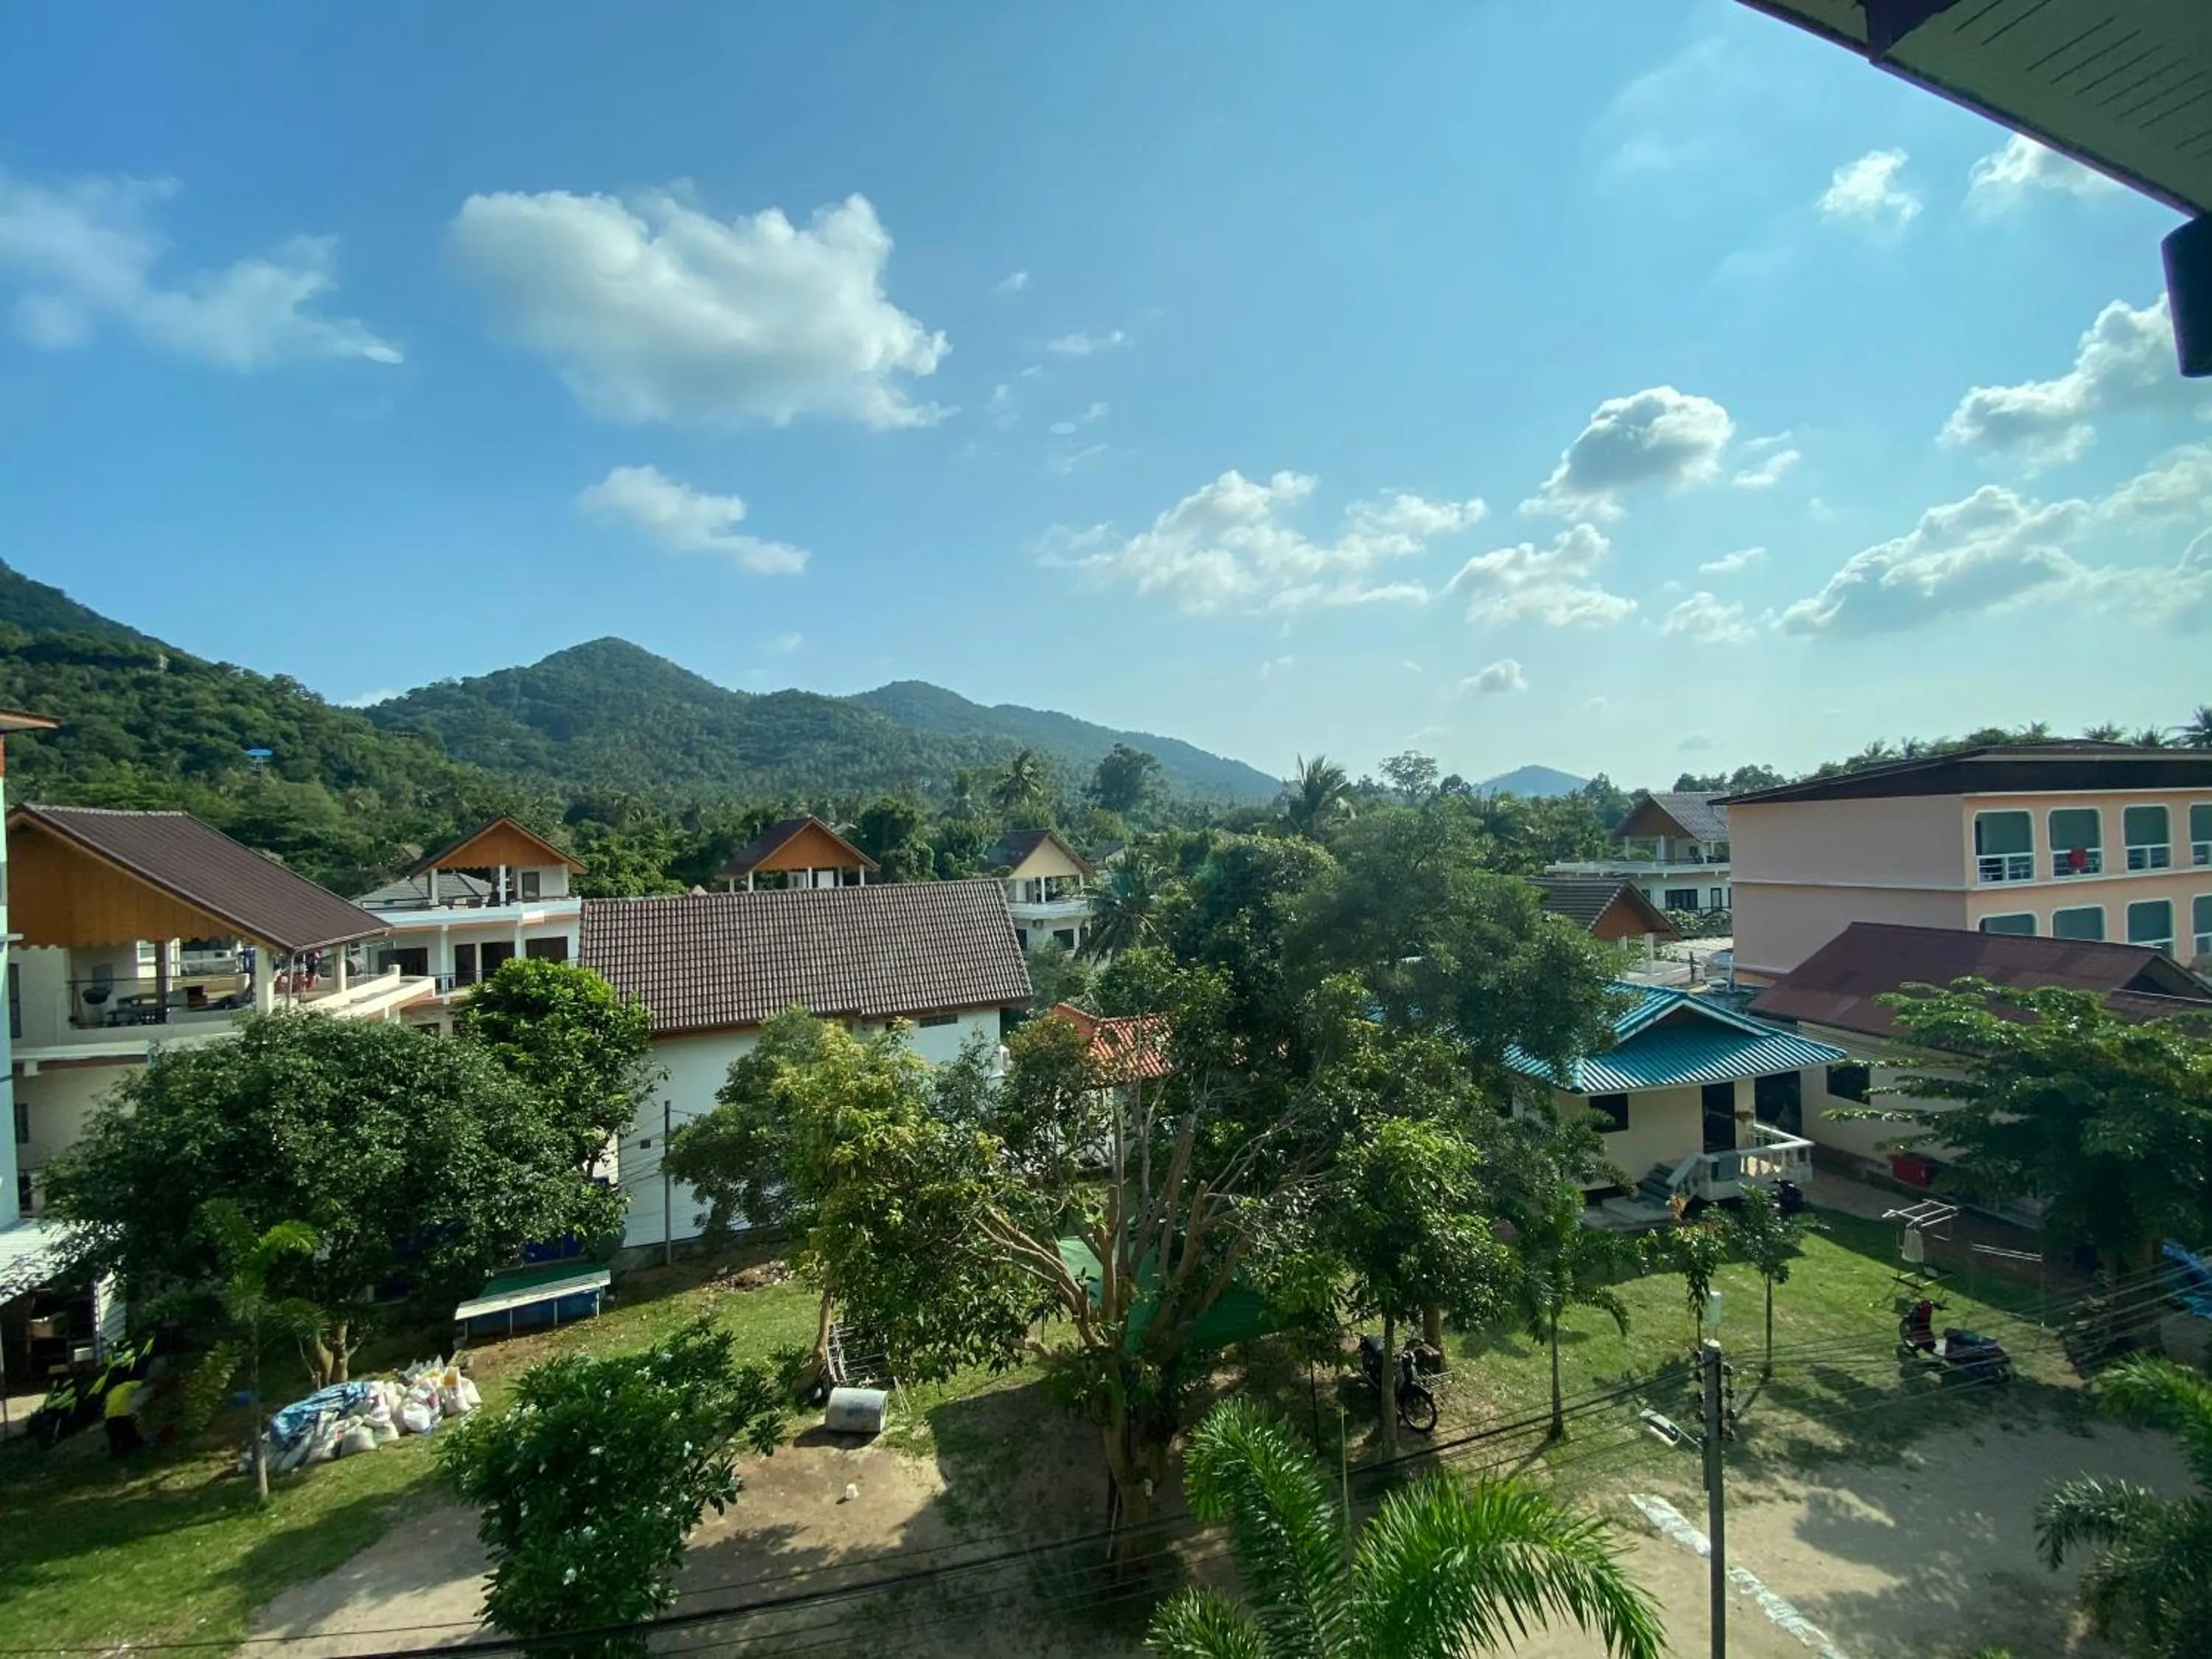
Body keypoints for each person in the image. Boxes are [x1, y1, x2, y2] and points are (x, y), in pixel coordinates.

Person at [103, 1375, 145, 1458]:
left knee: (114, 1438)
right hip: (122, 1415)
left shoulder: (110, 1393)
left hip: (109, 1418)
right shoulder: (128, 1385)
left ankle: (116, 1453)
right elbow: (144, 1383)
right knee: (129, 1434)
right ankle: (133, 1447)